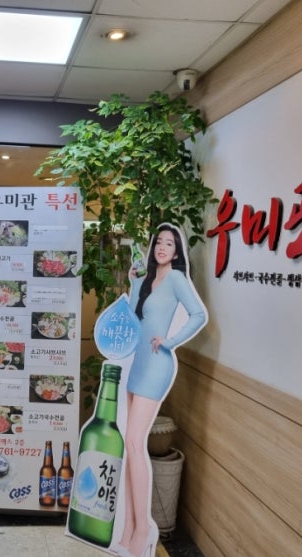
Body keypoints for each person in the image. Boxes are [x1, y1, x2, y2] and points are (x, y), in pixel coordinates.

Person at [112, 224, 207, 557]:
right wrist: (132, 279)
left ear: (177, 251)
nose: (163, 247)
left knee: (134, 442)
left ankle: (141, 531)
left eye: (170, 243)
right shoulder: (145, 279)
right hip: (135, 364)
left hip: (155, 365)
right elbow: (132, 316)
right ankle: (127, 528)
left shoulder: (177, 279)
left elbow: (198, 314)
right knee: (128, 445)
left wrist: (170, 341)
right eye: (159, 242)